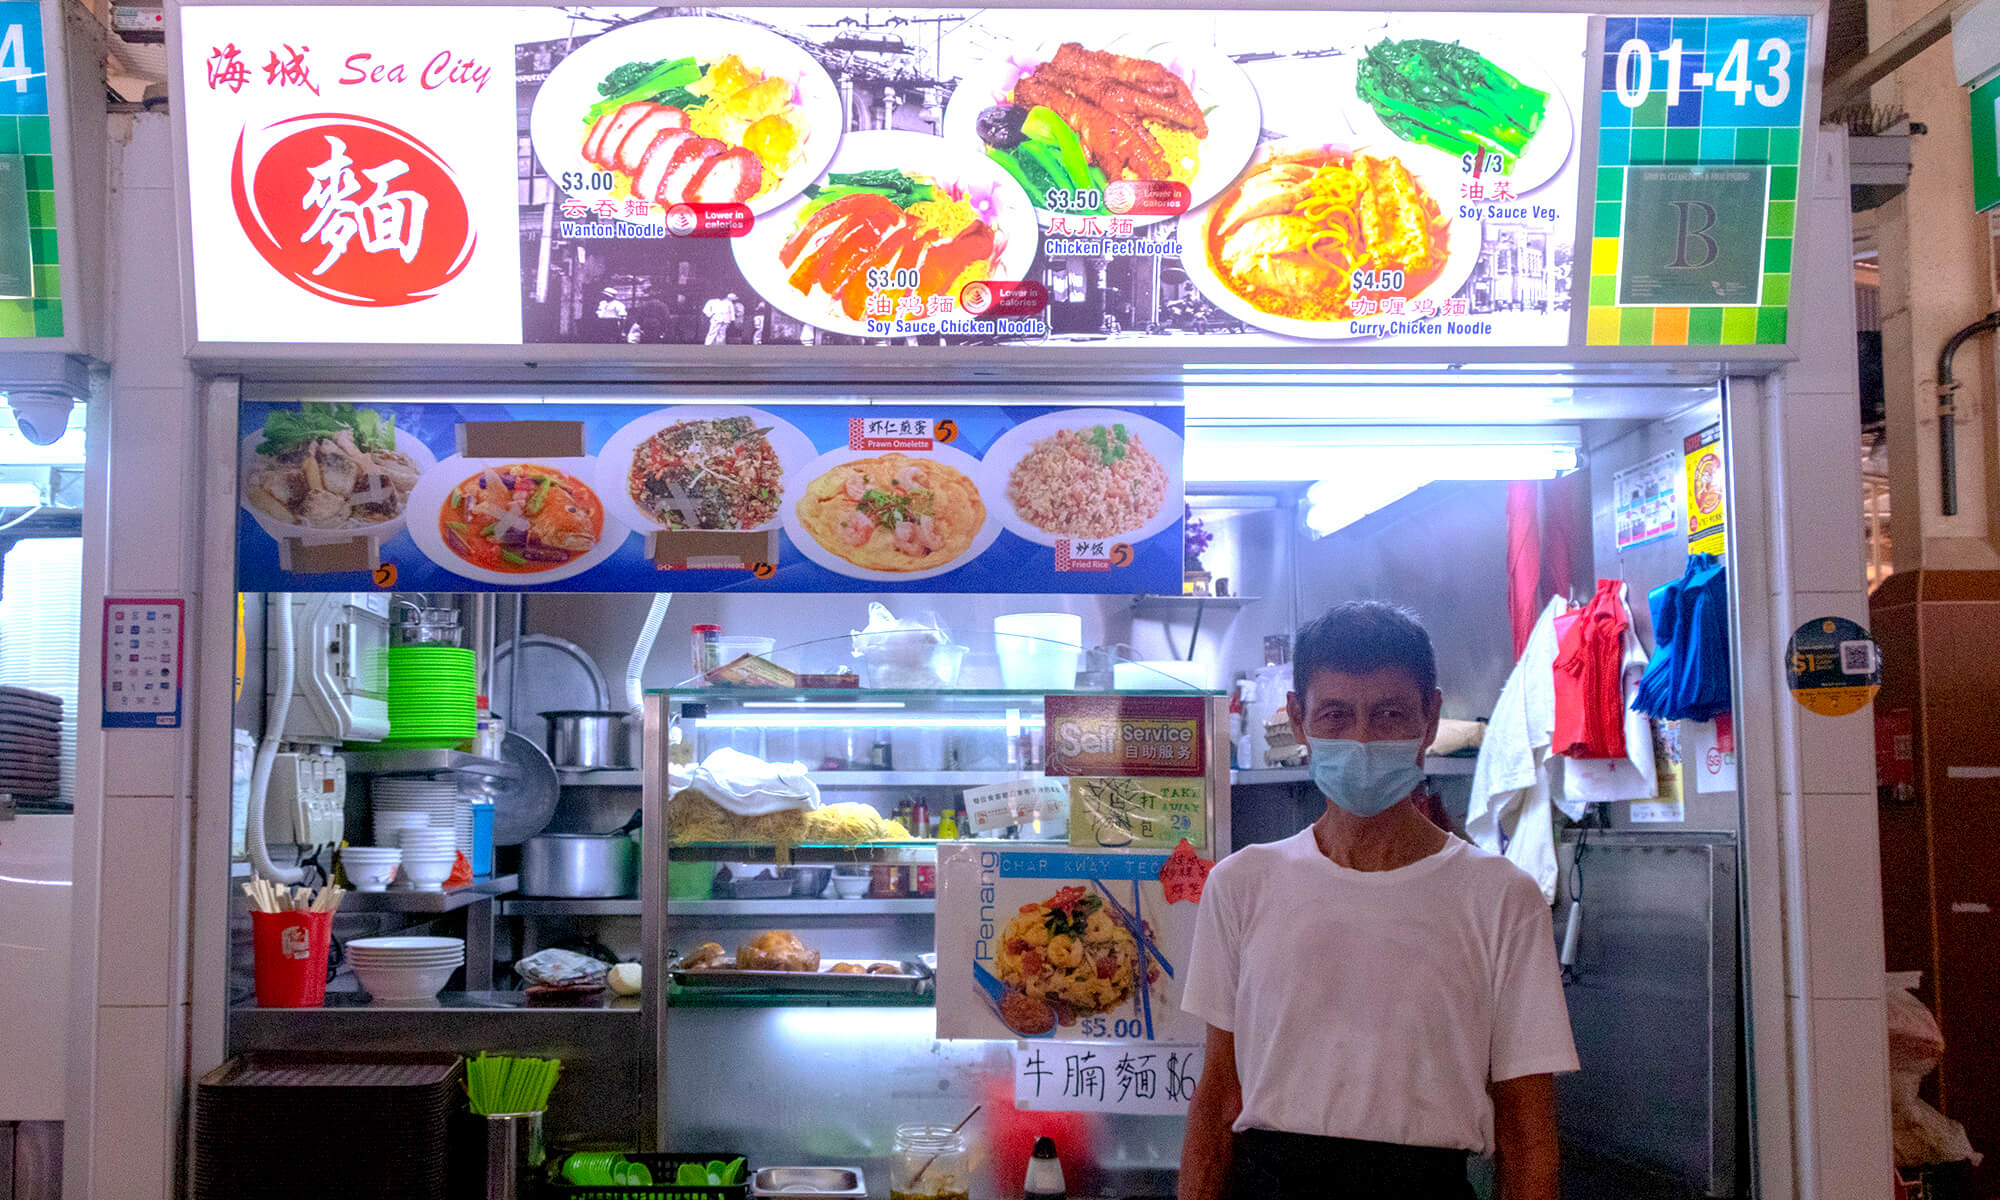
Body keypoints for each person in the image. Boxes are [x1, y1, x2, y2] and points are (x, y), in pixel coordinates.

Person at [1179, 601, 1576, 1200]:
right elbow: (1217, 1100)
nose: (1362, 739)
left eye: (1389, 715)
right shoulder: (1241, 885)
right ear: (1299, 720)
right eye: (1336, 715)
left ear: (1430, 718)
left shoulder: (1501, 898)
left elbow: (1527, 1134)